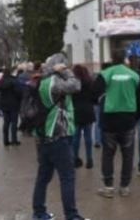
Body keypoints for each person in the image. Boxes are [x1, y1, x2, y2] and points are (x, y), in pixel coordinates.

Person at [31, 53, 89, 220]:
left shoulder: (40, 81)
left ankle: (39, 213)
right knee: (67, 177)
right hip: (57, 134)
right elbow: (76, 86)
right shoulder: (54, 82)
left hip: (42, 136)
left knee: (43, 176)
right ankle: (71, 215)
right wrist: (66, 71)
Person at [92, 49, 140, 198]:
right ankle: (124, 186)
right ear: (125, 59)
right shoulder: (134, 75)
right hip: (128, 119)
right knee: (128, 154)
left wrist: (102, 101)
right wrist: (136, 117)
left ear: (112, 58)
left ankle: (108, 187)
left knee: (108, 153)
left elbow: (93, 93)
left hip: (109, 120)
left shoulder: (106, 74)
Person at [72, 64, 95, 169]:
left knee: (75, 137)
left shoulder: (73, 84)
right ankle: (89, 159)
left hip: (76, 111)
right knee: (88, 137)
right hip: (88, 110)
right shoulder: (90, 82)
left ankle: (75, 158)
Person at [0, 66, 23, 146]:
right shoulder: (14, 81)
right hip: (14, 104)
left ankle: (5, 140)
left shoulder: (0, 81)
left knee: (6, 122)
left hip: (4, 104)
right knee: (14, 122)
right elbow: (19, 92)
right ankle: (14, 140)